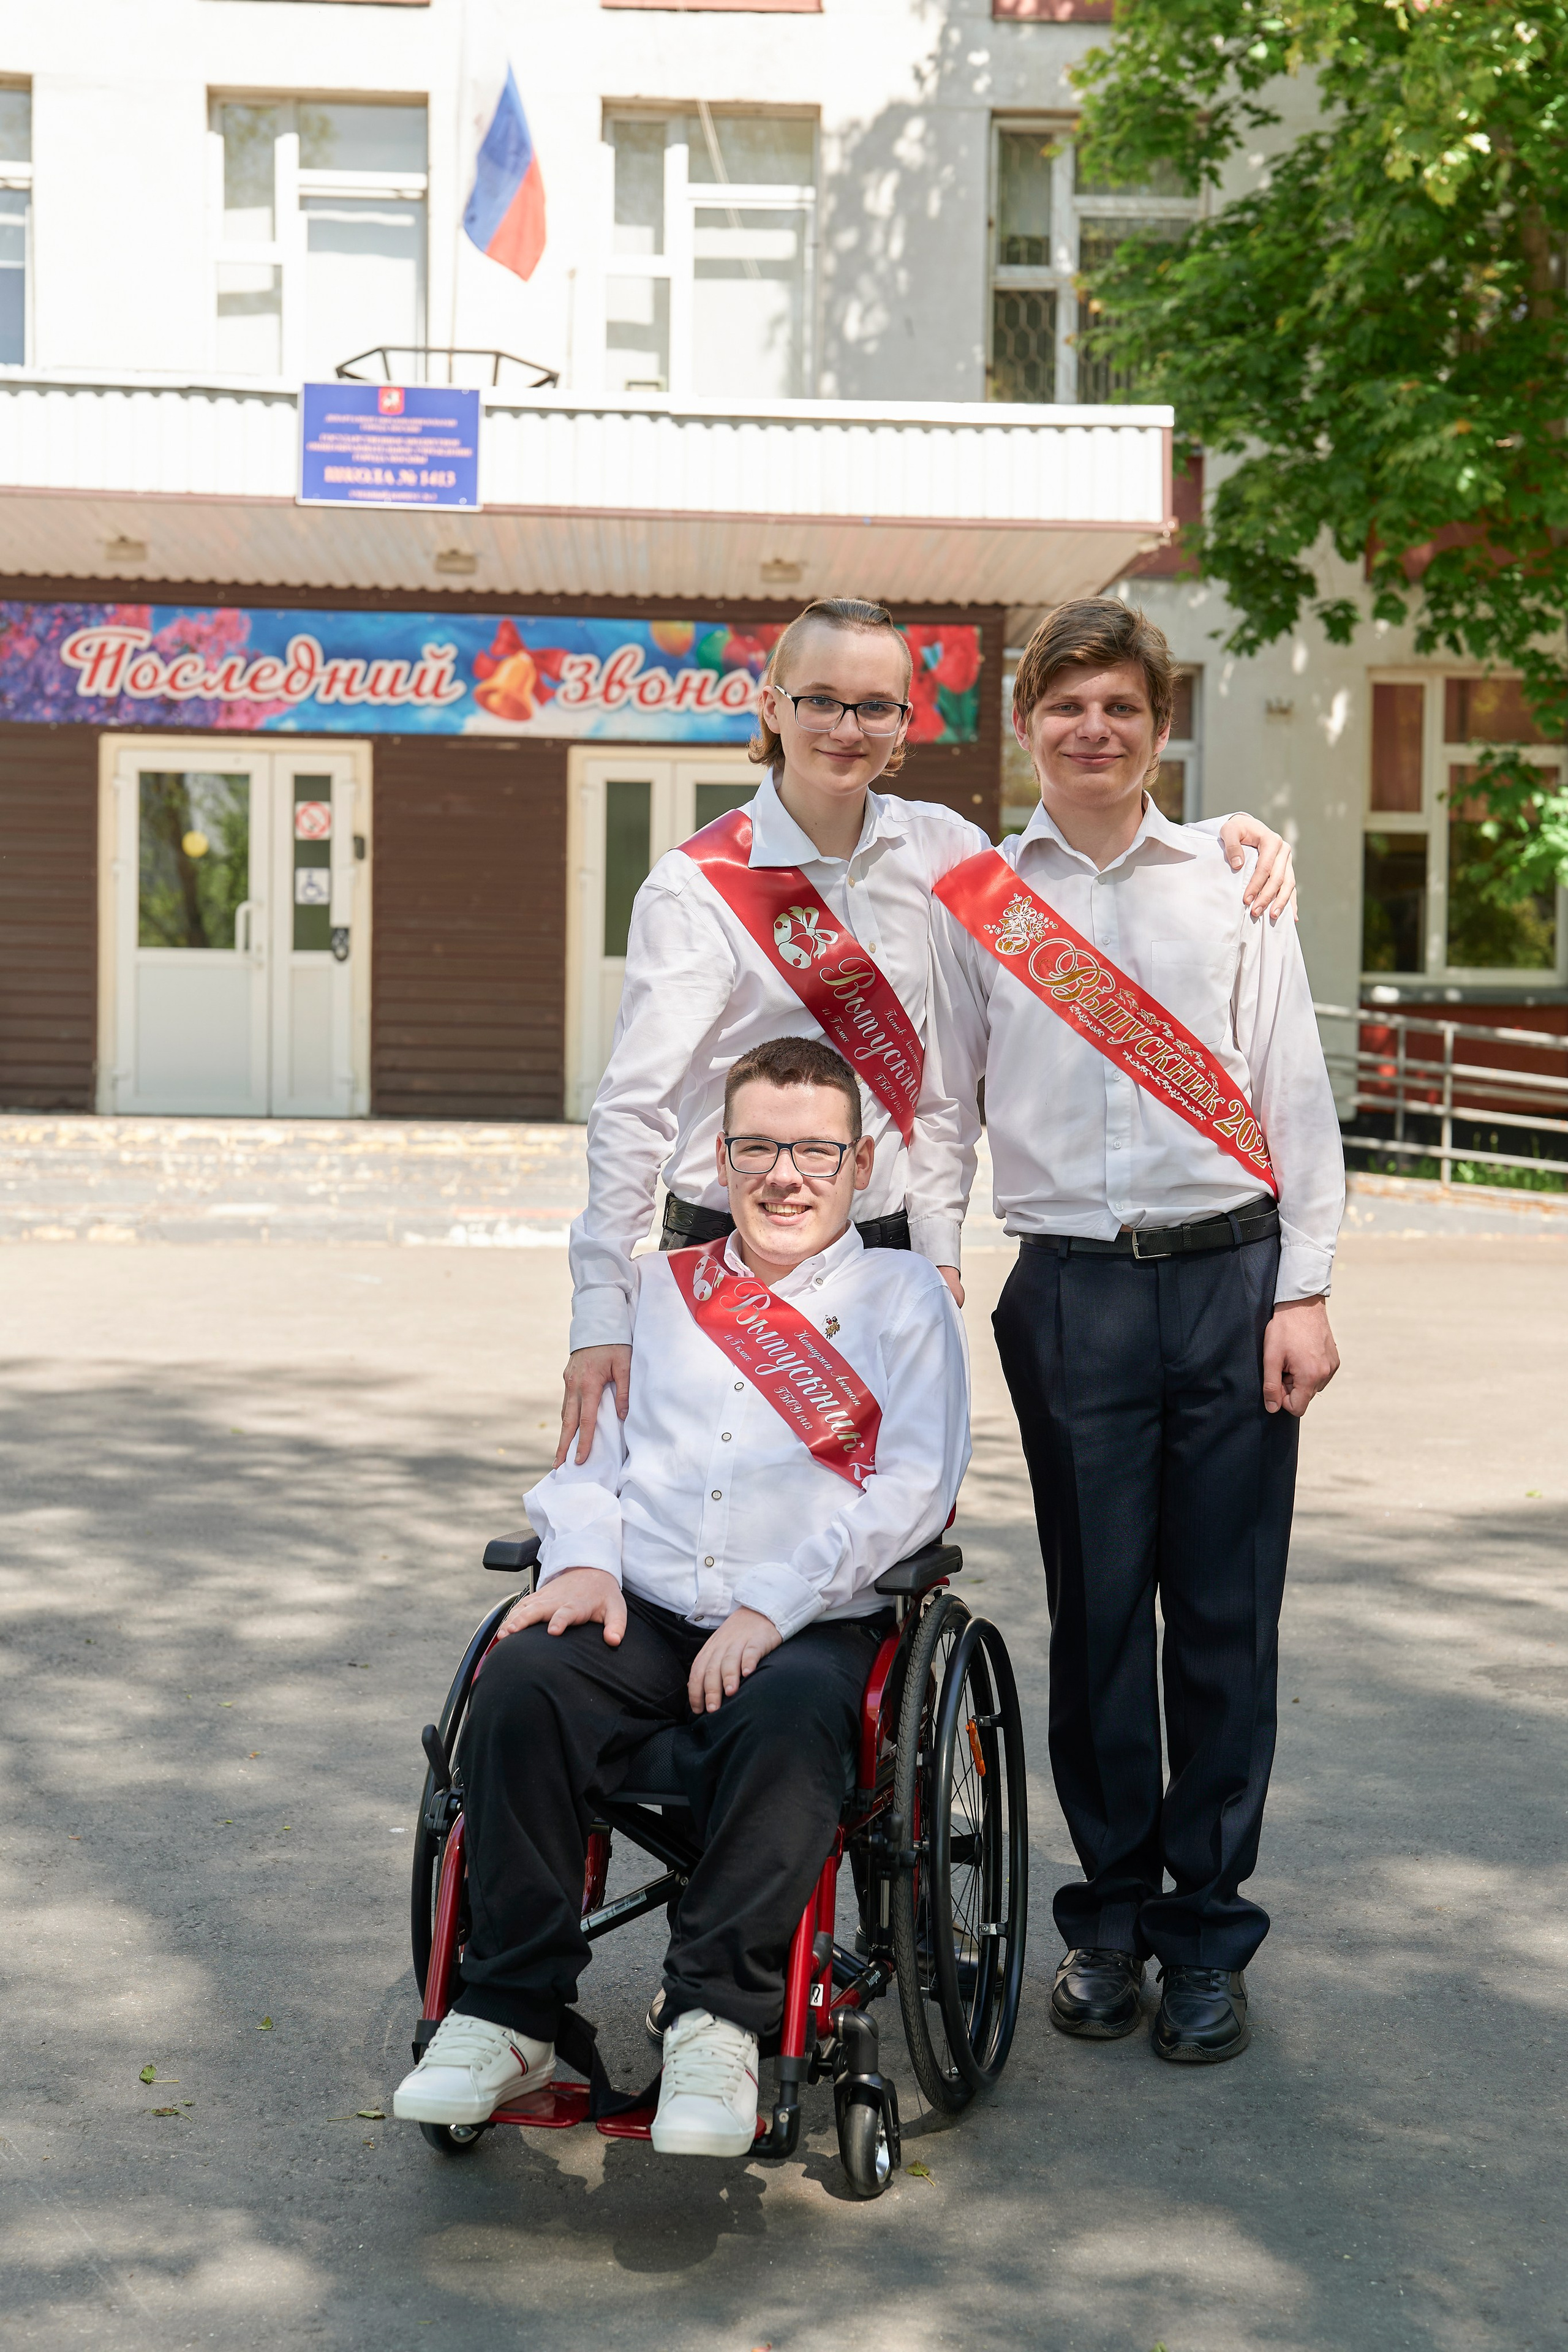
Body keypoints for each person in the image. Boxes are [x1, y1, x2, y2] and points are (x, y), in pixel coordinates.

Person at [557, 594, 1300, 1474]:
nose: (846, 727)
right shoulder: (697, 888)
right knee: (712, 1518)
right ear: (772, 706)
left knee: (866, 1533)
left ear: (904, 722)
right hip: (729, 1250)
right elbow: (631, 1111)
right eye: (821, 700)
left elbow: (1078, 862)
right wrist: (601, 1312)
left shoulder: (943, 851)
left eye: (876, 706)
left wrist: (1219, 840)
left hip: (879, 1257)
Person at [394, 1035, 970, 2156]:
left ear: (860, 1166)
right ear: (721, 1159)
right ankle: (510, 2015)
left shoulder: (905, 1299)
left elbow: (916, 1489)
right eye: (757, 1147)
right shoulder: (658, 1293)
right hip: (646, 1610)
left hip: (811, 1617)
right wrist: (580, 1561)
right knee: (523, 1682)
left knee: (793, 1717)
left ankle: (719, 2016)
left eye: (813, 1149)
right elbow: (585, 1464)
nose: (784, 1174)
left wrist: (773, 1606)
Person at [912, 597, 1344, 2065]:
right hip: (1071, 1293)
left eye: (1120, 708)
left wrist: (1304, 1289)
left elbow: (1292, 1092)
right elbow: (940, 1104)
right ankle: (1104, 1923)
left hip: (1230, 1286)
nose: (1091, 731)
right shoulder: (977, 897)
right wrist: (924, 1270)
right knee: (1098, 1620)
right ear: (1025, 724)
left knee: (1221, 1623)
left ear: (1160, 728)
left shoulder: (1231, 884)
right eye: (1064, 707)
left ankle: (1206, 1933)